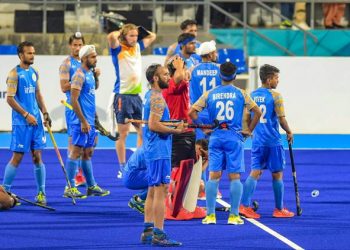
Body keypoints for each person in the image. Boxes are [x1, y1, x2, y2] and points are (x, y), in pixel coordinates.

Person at [189, 62, 262, 225]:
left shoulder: (210, 93)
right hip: (234, 138)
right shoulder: (241, 93)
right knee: (234, 176)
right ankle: (234, 216)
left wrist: (205, 128)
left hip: (215, 137)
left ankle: (210, 216)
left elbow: (191, 112)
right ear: (235, 76)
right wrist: (249, 130)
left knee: (213, 176)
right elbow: (257, 111)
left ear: (219, 76)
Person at [240, 64, 295, 219]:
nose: (278, 81)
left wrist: (249, 131)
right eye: (276, 78)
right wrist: (289, 131)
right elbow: (281, 119)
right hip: (272, 141)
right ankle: (279, 209)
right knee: (277, 174)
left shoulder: (252, 94)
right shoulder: (276, 96)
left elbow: (246, 117)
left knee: (255, 172)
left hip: (257, 141)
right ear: (269, 79)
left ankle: (244, 206)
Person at [2, 41, 52, 205]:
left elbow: (38, 94)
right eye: (29, 53)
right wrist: (25, 115)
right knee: (17, 157)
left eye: (33, 52)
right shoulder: (13, 74)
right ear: (21, 55)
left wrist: (44, 112)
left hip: (36, 123)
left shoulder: (34, 72)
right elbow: (9, 99)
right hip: (22, 124)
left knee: (38, 156)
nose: (33, 56)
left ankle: (41, 193)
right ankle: (5, 190)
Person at [141, 64, 184, 246]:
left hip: (152, 149)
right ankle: (159, 233)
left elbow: (157, 122)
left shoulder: (149, 95)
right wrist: (175, 131)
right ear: (156, 78)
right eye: (166, 74)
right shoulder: (158, 98)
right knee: (161, 191)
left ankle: (148, 231)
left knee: (152, 190)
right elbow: (153, 125)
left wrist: (174, 124)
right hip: (159, 151)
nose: (169, 77)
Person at [107, 23, 156, 178]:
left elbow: (152, 36)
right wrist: (122, 30)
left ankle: (137, 162)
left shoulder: (138, 47)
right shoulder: (117, 49)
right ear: (124, 36)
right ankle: (122, 167)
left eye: (136, 36)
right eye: (131, 36)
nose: (134, 39)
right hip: (122, 95)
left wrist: (139, 30)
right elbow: (110, 36)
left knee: (143, 131)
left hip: (136, 96)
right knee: (124, 134)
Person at [64, 45, 110, 198]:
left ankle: (91, 186)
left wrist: (93, 120)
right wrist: (83, 121)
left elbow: (92, 93)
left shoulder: (90, 73)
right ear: (84, 58)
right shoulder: (79, 75)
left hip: (90, 121)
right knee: (76, 152)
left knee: (88, 153)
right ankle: (69, 187)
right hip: (80, 121)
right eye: (92, 57)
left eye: (96, 56)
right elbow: (74, 100)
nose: (95, 59)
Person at [59, 32, 90, 187]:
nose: (78, 48)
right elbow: (63, 87)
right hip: (73, 108)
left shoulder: (87, 63)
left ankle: (79, 176)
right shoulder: (67, 64)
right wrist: (78, 78)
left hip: (86, 109)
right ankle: (73, 179)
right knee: (73, 143)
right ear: (70, 46)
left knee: (85, 145)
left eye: (80, 45)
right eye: (75, 45)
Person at [162, 56, 196, 169]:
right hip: (179, 133)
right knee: (176, 171)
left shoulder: (180, 83)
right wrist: (179, 66)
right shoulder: (172, 84)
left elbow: (183, 76)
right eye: (183, 68)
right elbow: (180, 76)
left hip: (187, 130)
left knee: (191, 170)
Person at [190, 40, 221, 139]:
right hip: (216, 112)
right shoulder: (220, 69)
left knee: (200, 148)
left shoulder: (191, 70)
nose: (216, 54)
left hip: (198, 114)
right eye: (215, 52)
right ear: (210, 55)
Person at [122, 146, 148, 214]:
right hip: (132, 177)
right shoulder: (157, 149)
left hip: (132, 174)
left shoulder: (151, 143)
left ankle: (141, 197)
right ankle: (139, 199)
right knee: (164, 179)